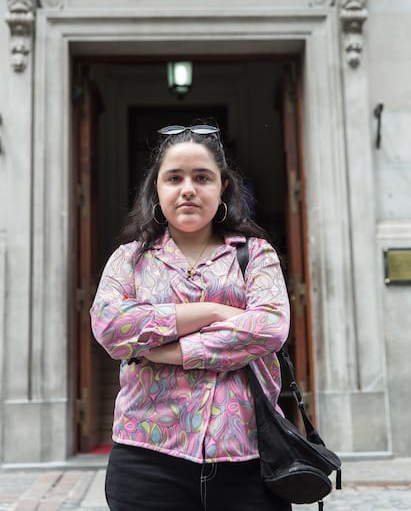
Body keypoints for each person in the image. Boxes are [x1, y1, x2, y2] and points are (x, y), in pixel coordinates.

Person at [90, 123, 291, 511]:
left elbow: (269, 327)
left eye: (202, 177)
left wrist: (172, 350)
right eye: (174, 178)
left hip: (247, 458)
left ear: (222, 189)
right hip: (147, 458)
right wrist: (214, 311)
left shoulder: (255, 255)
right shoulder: (129, 259)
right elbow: (111, 327)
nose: (188, 189)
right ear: (157, 190)